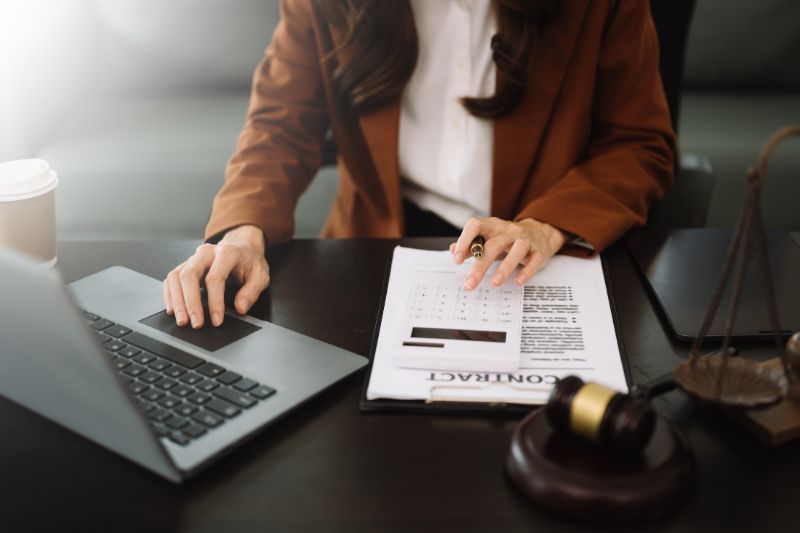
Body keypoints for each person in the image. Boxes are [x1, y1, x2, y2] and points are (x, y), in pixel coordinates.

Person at [163, 0, 675, 329]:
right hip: (374, 243)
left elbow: (639, 143)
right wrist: (242, 232)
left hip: (525, 250)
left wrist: (546, 227)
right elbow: (279, 126)